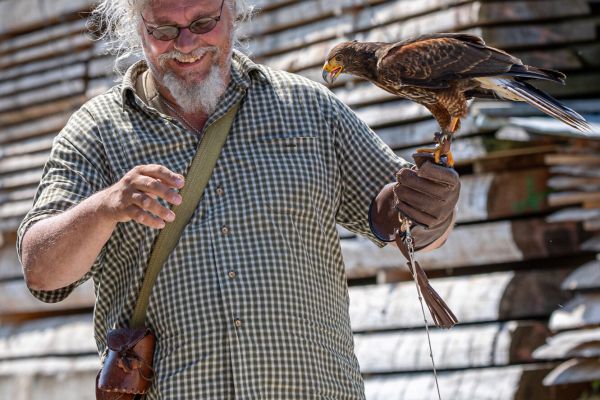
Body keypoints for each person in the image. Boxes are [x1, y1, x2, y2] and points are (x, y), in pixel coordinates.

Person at [17, 0, 460, 398]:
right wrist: (106, 206)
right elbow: (41, 271)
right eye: (163, 29)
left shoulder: (309, 109)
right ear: (137, 29)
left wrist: (432, 209)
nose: (186, 43)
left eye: (204, 21)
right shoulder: (95, 132)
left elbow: (413, 228)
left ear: (235, 13)